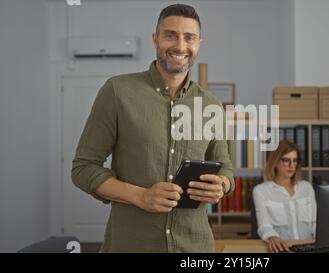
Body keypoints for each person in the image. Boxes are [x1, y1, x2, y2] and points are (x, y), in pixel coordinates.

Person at [71, 4, 234, 253]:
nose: (180, 46)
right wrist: (140, 196)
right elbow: (83, 168)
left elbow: (226, 167)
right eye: (170, 35)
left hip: (195, 248)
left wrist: (221, 184)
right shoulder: (117, 92)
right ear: (155, 39)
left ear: (199, 43)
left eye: (189, 37)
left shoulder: (210, 105)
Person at [253, 140, 316, 253]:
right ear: (275, 161)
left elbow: (315, 223)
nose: (292, 165)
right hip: (283, 249)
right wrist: (273, 238)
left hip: (308, 248)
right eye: (286, 160)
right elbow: (264, 225)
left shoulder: (307, 188)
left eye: (295, 161)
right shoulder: (261, 191)